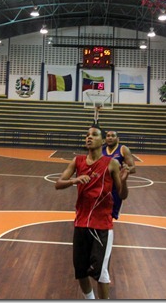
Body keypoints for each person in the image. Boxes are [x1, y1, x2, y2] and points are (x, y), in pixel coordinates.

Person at [55, 124, 129, 300]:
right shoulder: (77, 161)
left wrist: (124, 182)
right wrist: (75, 180)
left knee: (101, 273)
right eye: (87, 135)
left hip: (101, 225)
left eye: (94, 135)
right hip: (80, 223)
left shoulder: (111, 164)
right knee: (80, 271)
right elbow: (58, 184)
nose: (89, 137)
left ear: (102, 141)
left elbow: (122, 195)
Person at [102, 130, 135, 220]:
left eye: (113, 136)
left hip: (116, 187)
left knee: (111, 215)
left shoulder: (123, 149)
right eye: (108, 136)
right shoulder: (101, 149)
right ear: (105, 139)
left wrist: (125, 170)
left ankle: (107, 232)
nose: (110, 137)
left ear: (118, 139)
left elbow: (133, 168)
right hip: (103, 186)